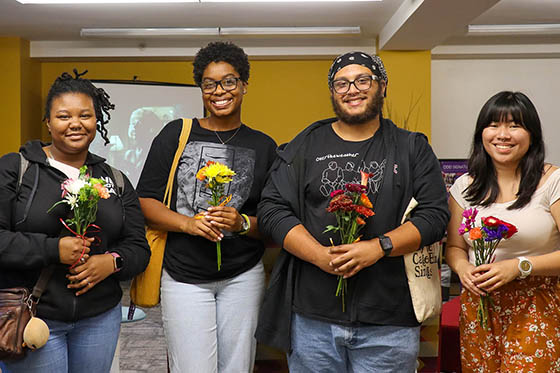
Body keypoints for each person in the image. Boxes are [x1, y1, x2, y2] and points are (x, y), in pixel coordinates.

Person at [256, 52, 449, 372]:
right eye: (341, 83)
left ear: (382, 86)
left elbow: (434, 216)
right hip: (311, 319)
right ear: (332, 92)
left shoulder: (411, 147)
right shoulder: (304, 145)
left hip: (390, 320)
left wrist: (378, 247)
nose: (352, 89)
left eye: (363, 80)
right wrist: (318, 255)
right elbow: (273, 209)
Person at [136, 41, 277, 373]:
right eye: (210, 83)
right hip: (184, 276)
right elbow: (145, 201)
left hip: (243, 276)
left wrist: (241, 223)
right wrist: (188, 224)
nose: (220, 91)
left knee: (237, 368)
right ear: (201, 89)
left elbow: (272, 219)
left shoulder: (264, 145)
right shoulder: (176, 135)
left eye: (229, 81)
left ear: (244, 85)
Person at [0, 70, 150, 373]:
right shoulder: (16, 169)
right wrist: (53, 249)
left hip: (99, 318)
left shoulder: (116, 180)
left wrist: (112, 262)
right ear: (48, 121)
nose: (75, 124)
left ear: (97, 121)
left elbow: (138, 247)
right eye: (63, 116)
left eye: (85, 115)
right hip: (33, 317)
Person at [446, 91, 560, 372]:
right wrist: (463, 270)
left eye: (515, 125)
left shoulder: (552, 181)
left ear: (532, 134)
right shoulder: (464, 186)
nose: (503, 134)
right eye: (494, 125)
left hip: (537, 304)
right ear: (481, 133)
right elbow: (455, 247)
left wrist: (520, 266)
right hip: (479, 307)